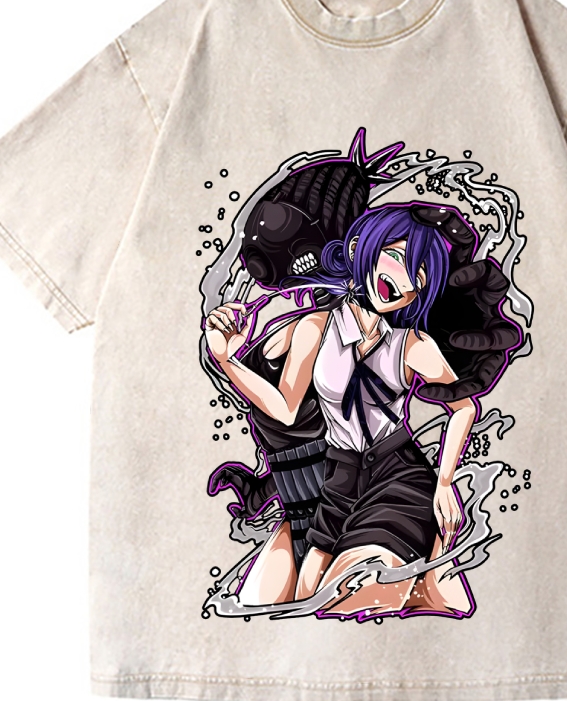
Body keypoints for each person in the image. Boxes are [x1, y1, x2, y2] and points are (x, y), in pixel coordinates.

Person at [204, 203, 478, 617]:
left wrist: (444, 482)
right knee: (305, 596)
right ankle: (429, 590)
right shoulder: (314, 329)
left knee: (349, 593)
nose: (404, 281)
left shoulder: (411, 345)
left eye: (418, 277)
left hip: (399, 477)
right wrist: (227, 360)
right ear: (357, 248)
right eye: (396, 256)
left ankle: (420, 578)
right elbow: (285, 409)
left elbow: (463, 407)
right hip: (340, 477)